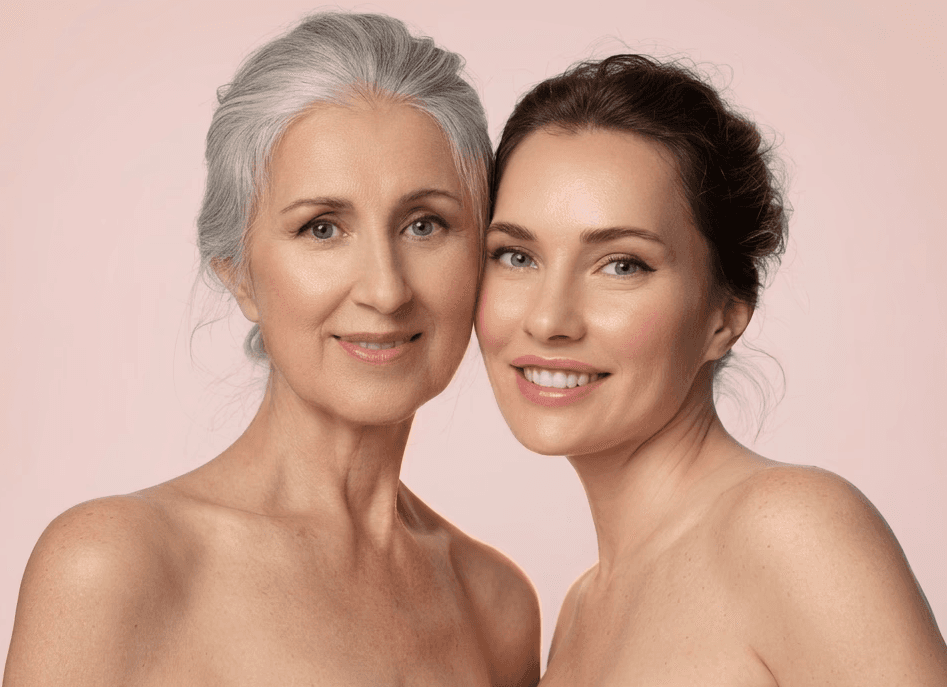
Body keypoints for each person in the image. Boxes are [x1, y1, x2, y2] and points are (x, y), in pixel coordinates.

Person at [4, 13, 539, 686]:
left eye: (424, 223)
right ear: (240, 274)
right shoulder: (114, 564)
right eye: (321, 228)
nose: (384, 287)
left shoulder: (497, 606)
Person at [477, 54, 947, 685]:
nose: (549, 318)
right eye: (516, 255)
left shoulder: (791, 531)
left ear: (724, 315)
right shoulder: (579, 612)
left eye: (622, 264)